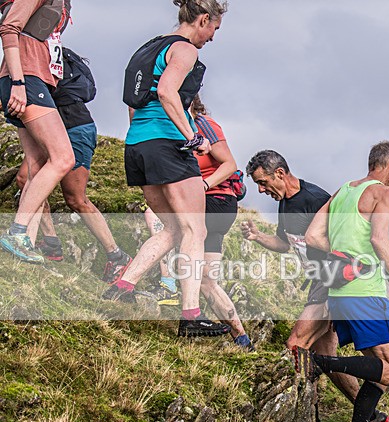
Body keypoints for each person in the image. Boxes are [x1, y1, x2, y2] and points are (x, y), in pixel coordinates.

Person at [103, 0, 230, 338]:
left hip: (139, 144)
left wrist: (144, 138)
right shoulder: (184, 49)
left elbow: (134, 102)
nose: (213, 38)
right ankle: (190, 316)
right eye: (214, 29)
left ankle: (123, 284)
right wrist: (194, 138)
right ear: (203, 20)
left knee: (173, 227)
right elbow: (167, 91)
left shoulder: (149, 47)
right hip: (169, 144)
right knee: (196, 230)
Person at [305, 141, 389, 422]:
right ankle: (318, 361)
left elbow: (314, 237)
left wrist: (342, 256)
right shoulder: (384, 193)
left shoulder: (343, 191)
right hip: (367, 293)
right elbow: (379, 240)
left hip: (340, 293)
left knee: (380, 377)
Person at [241, 150, 369, 422]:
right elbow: (285, 244)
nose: (261, 190)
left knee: (295, 345)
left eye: (263, 182)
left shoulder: (314, 198)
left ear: (281, 174)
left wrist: (340, 280)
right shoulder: (284, 204)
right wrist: (257, 236)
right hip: (318, 282)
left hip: (332, 282)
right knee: (326, 356)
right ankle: (369, 415)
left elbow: (347, 240)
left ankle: (305, 417)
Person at [15, 47, 132, 282]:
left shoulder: (44, 54)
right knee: (26, 178)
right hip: (51, 127)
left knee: (76, 199)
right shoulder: (33, 54)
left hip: (75, 127)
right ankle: (50, 243)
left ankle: (116, 255)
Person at [0, 0, 74, 264]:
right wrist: (18, 82)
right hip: (26, 80)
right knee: (63, 158)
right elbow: (9, 28)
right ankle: (17, 231)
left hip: (33, 80)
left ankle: (24, 239)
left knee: (37, 164)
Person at [189, 95, 252, 349]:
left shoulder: (204, 125)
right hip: (217, 207)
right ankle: (242, 338)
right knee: (206, 281)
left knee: (172, 233)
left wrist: (203, 185)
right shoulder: (180, 126)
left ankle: (186, 312)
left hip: (214, 201)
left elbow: (230, 165)